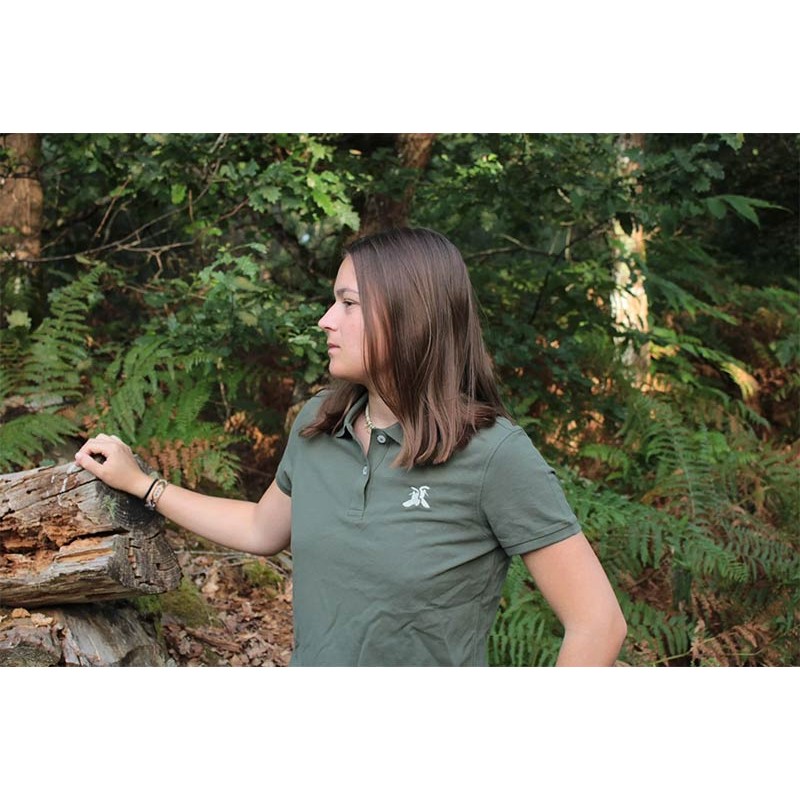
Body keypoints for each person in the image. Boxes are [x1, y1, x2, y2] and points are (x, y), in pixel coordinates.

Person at [74, 227, 627, 667]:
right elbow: (261, 530)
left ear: (410, 314)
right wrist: (142, 484)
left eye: (348, 303)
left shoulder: (492, 453)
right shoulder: (320, 423)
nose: (325, 320)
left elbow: (598, 623)